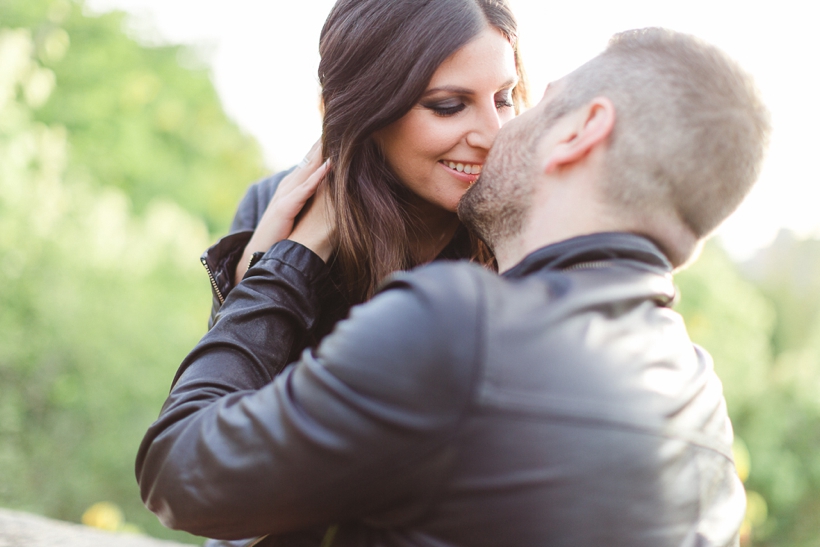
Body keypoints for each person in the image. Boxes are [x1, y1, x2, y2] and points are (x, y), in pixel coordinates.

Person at [137, 27, 770, 546]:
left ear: (581, 129)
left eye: (523, 100)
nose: (497, 132)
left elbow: (181, 472)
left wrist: (280, 271)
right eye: (449, 103)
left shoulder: (459, 327)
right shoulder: (701, 401)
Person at [202, 0, 528, 335]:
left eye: (503, 99)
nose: (494, 135)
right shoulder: (271, 206)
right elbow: (221, 383)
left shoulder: (537, 223)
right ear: (367, 109)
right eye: (449, 106)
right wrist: (266, 267)